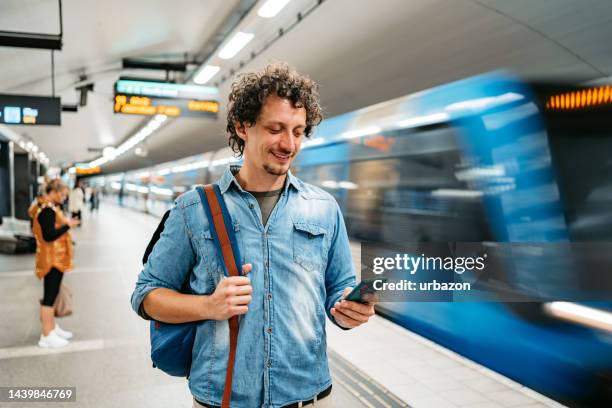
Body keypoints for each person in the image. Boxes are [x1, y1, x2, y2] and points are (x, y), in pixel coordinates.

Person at [131, 63, 376, 408]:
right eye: (276, 129)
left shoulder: (323, 208)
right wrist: (209, 305)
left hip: (310, 398)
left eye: (298, 131)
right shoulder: (193, 210)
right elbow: (145, 295)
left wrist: (350, 311)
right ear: (243, 127)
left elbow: (337, 292)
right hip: (223, 399)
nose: (288, 144)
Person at [29, 179, 80, 348]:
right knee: (49, 298)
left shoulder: (46, 208)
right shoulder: (47, 211)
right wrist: (68, 226)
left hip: (54, 258)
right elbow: (49, 235)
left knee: (53, 294)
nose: (64, 198)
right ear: (54, 192)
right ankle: (46, 334)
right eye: (63, 194)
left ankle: (52, 327)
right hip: (51, 260)